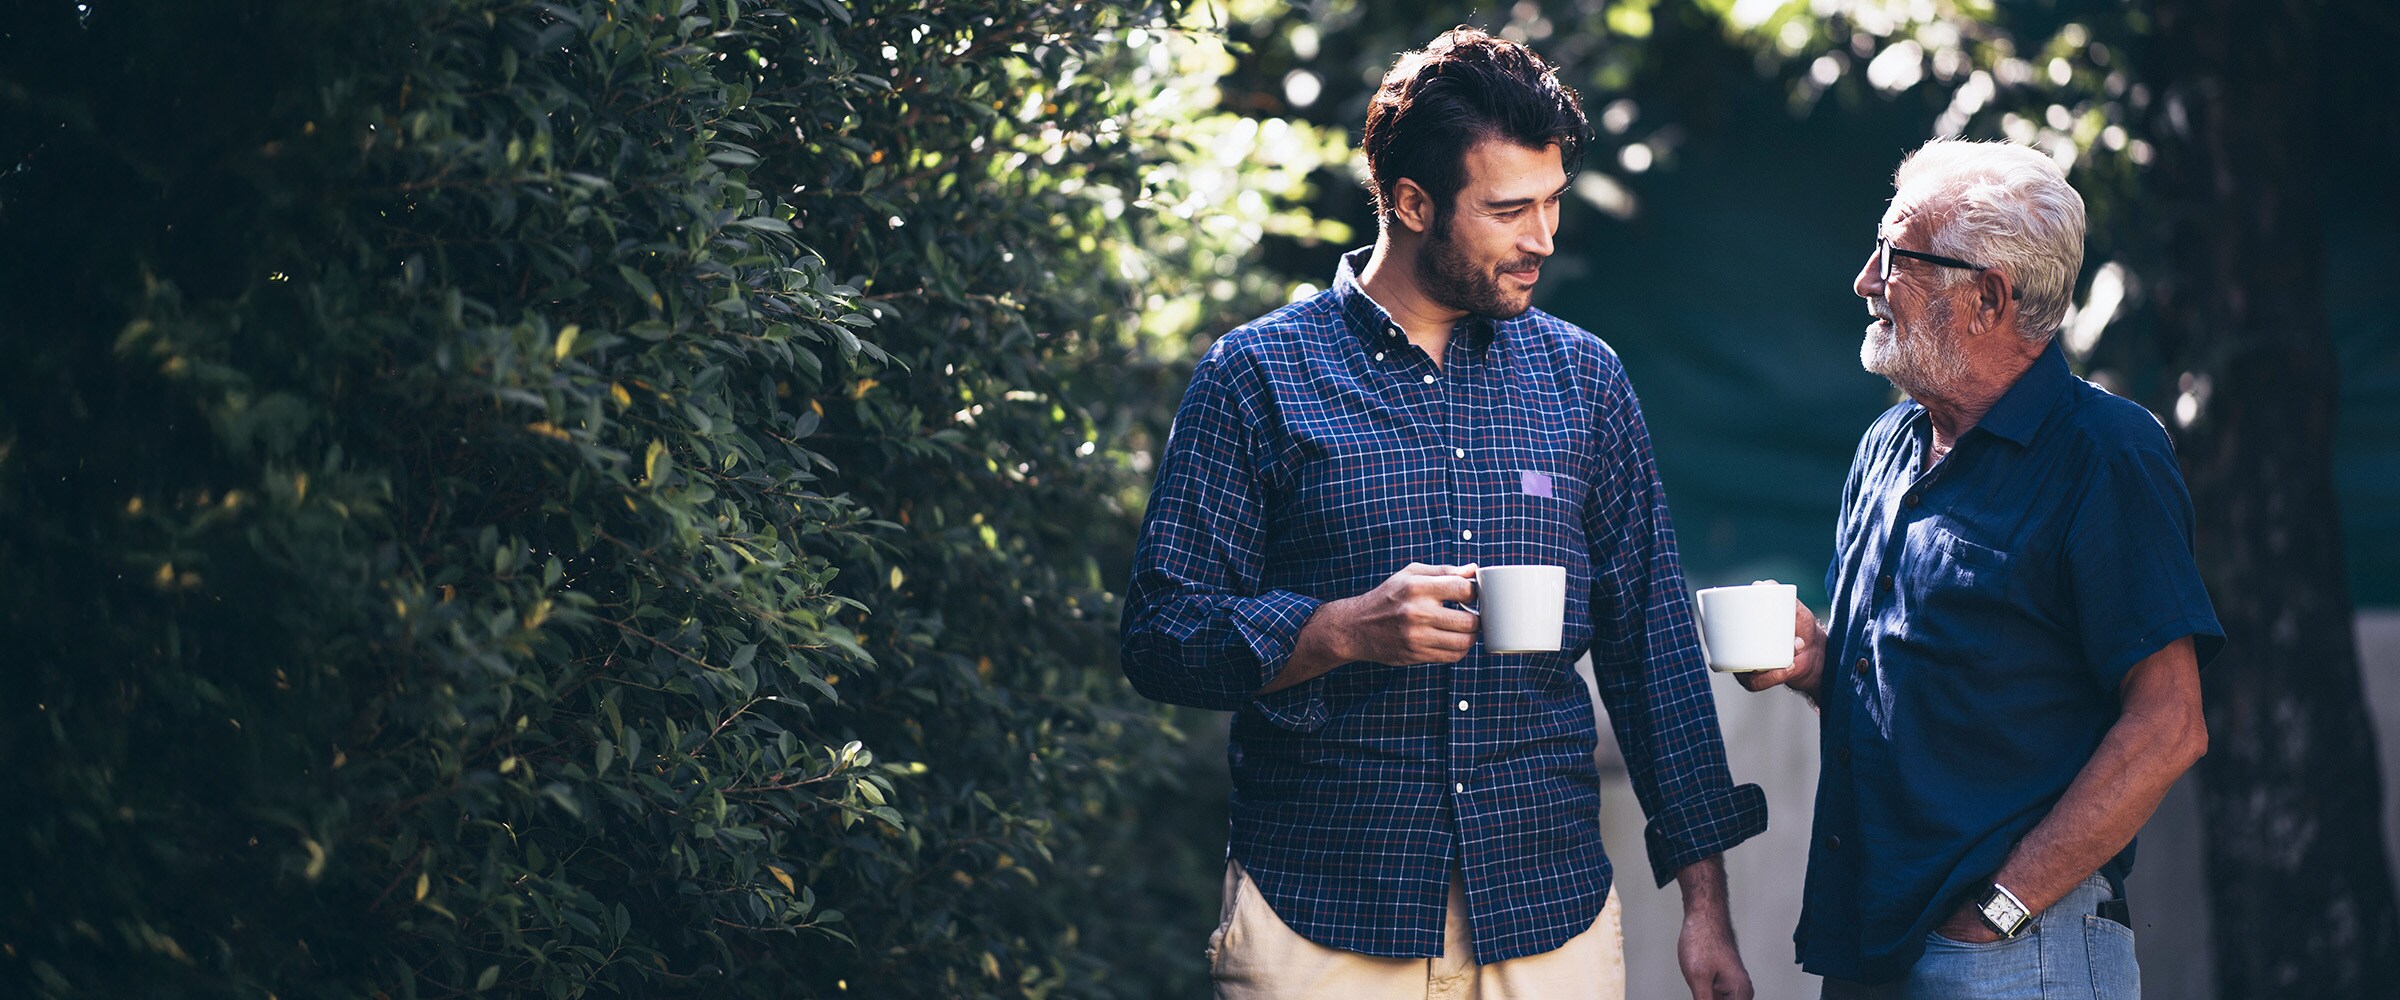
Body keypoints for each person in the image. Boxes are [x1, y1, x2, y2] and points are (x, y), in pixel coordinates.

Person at [1120, 27, 1766, 1000]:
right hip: (1323, 919)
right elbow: (1160, 635)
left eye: (1552, 200)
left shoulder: (1585, 380)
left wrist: (1705, 909)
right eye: (1509, 210)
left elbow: (1653, 653)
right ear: (1413, 202)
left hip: (1547, 918)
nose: (1543, 237)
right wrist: (1339, 630)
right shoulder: (1257, 376)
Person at [1737, 139, 2223, 998]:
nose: (1865, 279)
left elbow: (2169, 724)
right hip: (1871, 940)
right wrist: (1819, 665)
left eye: (1895, 256)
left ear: (1987, 298)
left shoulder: (2105, 453)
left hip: (2015, 951)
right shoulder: (1887, 445)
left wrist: (2000, 911)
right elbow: (1933, 690)